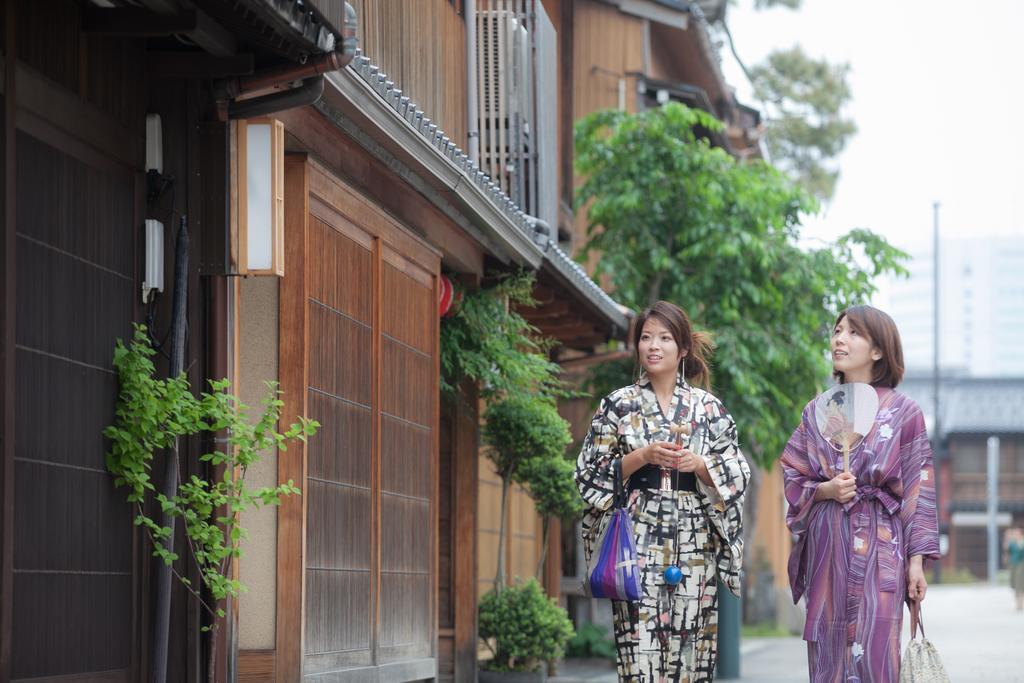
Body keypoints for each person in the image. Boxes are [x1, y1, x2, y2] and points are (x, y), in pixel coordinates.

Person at [575, 301, 749, 682]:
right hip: (635, 540)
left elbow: (738, 472)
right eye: (646, 337)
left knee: (692, 647)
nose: (653, 346)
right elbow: (588, 475)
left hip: (694, 541)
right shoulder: (618, 405)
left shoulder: (708, 408)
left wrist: (700, 466)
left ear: (683, 349)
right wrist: (641, 456)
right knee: (640, 648)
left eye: (665, 338)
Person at [781, 305, 940, 682]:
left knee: (878, 649)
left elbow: (920, 489)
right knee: (828, 651)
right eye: (837, 331)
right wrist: (824, 490)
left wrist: (916, 562)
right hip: (829, 545)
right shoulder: (817, 411)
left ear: (878, 350)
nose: (839, 339)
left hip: (881, 545)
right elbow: (793, 474)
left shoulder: (905, 412)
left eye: (853, 333)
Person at [1006, 527, 1024, 611]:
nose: (1015, 535)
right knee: (1013, 582)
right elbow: (1007, 551)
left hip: (1021, 564)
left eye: (1017, 533)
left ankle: (1019, 602)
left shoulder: (1022, 542)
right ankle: (1018, 601)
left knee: (1019, 582)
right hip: (1013, 564)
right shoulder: (1012, 543)